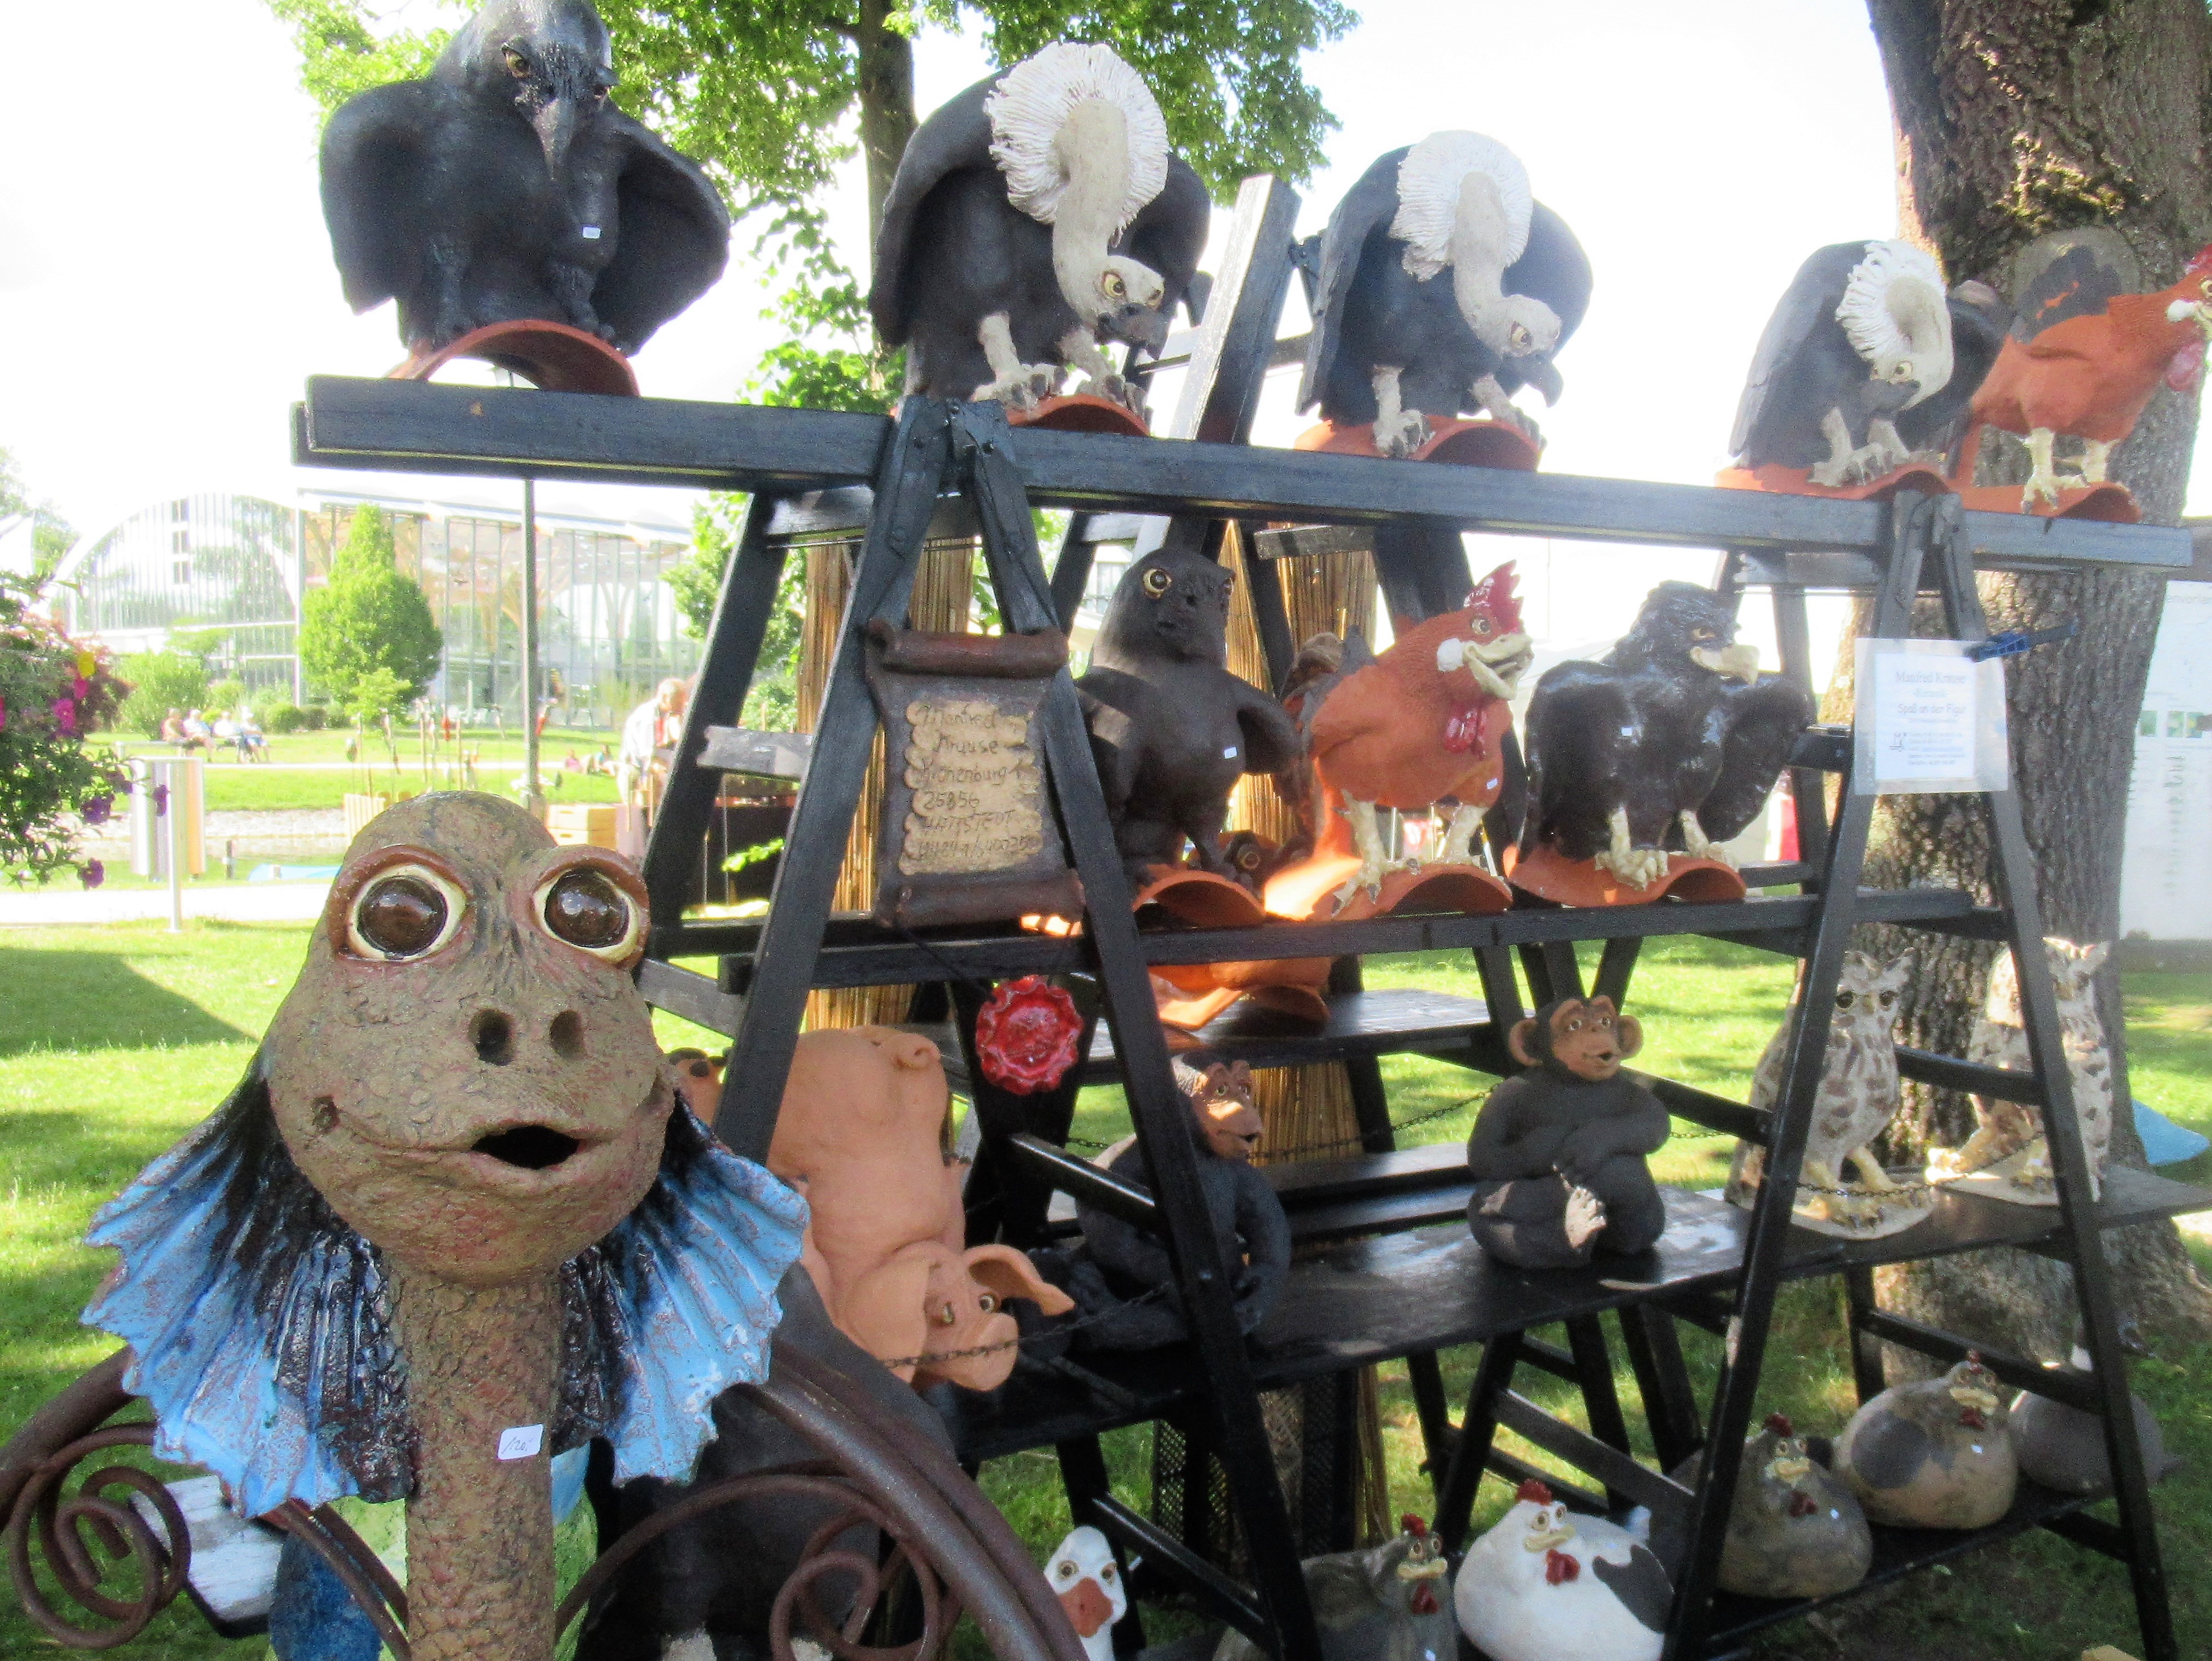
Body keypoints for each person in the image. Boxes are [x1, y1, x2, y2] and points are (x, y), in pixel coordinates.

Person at [617, 677, 690, 810]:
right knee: (643, 819)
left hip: (650, 777)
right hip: (636, 776)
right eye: (679, 702)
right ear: (666, 698)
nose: (683, 706)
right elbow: (649, 758)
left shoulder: (666, 715)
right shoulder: (648, 718)